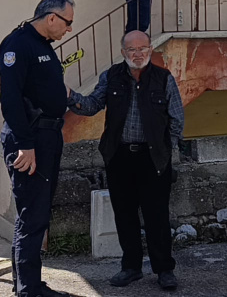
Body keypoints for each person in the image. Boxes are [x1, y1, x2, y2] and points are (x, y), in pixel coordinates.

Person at [68, 30, 184, 291]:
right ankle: (131, 267)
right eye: (132, 49)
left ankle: (164, 269)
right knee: (124, 214)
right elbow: (92, 105)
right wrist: (69, 95)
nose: (138, 54)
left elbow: (177, 118)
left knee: (157, 216)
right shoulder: (111, 76)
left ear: (150, 50)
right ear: (123, 52)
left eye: (143, 48)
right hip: (119, 156)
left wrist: (167, 149)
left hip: (153, 157)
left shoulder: (163, 78)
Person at [0, 0, 75, 297]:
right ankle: (29, 289)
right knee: (33, 215)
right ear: (52, 17)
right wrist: (25, 145)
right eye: (67, 22)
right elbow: (10, 99)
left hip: (48, 137)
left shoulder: (43, 44)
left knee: (36, 213)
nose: (69, 29)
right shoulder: (18, 44)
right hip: (30, 139)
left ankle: (27, 284)